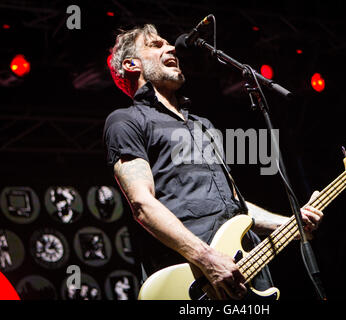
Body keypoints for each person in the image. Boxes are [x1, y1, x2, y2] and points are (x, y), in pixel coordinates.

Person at [103, 24, 323, 300]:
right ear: (131, 64)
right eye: (156, 45)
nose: (171, 48)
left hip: (243, 270)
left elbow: (236, 206)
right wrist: (206, 258)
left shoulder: (202, 126)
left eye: (168, 43)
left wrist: (289, 223)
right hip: (194, 280)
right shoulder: (126, 121)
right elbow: (141, 204)